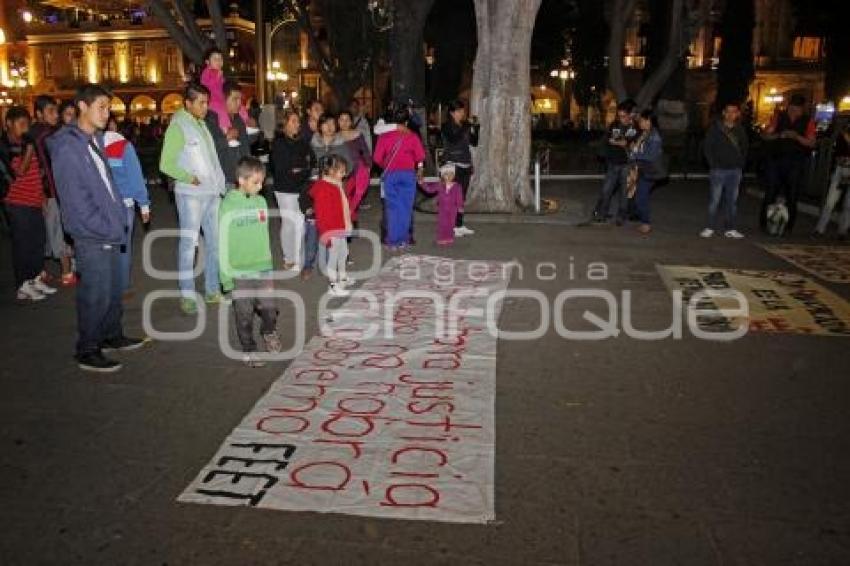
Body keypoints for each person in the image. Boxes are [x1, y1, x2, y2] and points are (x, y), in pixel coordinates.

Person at [48, 84, 148, 372]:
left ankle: (111, 335)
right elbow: (74, 200)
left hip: (110, 226)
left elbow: (107, 183)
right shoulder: (68, 147)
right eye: (101, 107)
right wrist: (104, 226)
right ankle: (88, 348)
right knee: (96, 291)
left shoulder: (95, 139)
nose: (107, 113)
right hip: (92, 232)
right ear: (82, 107)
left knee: (113, 287)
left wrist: (117, 217)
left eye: (108, 107)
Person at [159, 82, 227, 314]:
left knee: (214, 244)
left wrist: (219, 185)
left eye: (207, 102)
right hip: (191, 195)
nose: (205, 107)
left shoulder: (201, 124)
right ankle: (187, 296)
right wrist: (189, 178)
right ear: (187, 103)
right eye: (201, 103)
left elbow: (211, 159)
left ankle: (212, 290)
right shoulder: (178, 126)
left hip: (211, 193)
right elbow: (166, 164)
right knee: (189, 245)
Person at [219, 156, 281, 368]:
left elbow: (264, 237)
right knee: (244, 315)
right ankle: (249, 349)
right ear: (241, 180)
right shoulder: (227, 205)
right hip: (239, 272)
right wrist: (226, 279)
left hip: (262, 268)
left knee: (270, 309)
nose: (261, 186)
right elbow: (222, 242)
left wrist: (269, 266)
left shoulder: (261, 201)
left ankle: (269, 332)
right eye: (256, 182)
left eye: (262, 181)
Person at [2, 106, 57, 301]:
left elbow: (35, 174)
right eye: (21, 124)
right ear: (8, 124)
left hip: (33, 202)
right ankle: (22, 285)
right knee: (23, 246)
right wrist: (30, 147)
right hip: (17, 204)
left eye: (27, 124)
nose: (25, 129)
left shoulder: (25, 144)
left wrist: (41, 198)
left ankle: (34, 280)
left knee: (37, 243)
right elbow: (21, 171)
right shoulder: (7, 146)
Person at [31, 94, 77, 286]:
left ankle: (63, 269)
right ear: (39, 114)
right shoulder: (44, 134)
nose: (55, 115)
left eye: (55, 111)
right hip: (51, 191)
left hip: (54, 190)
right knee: (58, 231)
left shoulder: (50, 132)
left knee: (57, 230)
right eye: (50, 111)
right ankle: (67, 273)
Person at [104, 115, 151, 294]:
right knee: (123, 246)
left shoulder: (91, 145)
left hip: (101, 205)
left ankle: (106, 282)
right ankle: (122, 285)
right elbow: (135, 178)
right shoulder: (123, 147)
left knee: (106, 246)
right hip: (124, 205)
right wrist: (144, 205)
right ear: (115, 126)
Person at [760, 94, 817, 235]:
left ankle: (788, 226)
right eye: (791, 108)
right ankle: (764, 223)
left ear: (802, 109)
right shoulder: (778, 117)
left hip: (795, 162)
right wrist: (779, 135)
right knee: (771, 192)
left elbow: (811, 143)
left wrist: (796, 137)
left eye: (797, 109)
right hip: (776, 160)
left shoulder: (808, 121)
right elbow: (766, 135)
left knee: (792, 195)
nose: (793, 111)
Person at [373, 106, 426, 250]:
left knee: (392, 208)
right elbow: (420, 157)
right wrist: (420, 169)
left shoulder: (384, 136)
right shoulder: (412, 135)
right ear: (407, 122)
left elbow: (376, 158)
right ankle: (404, 239)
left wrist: (386, 165)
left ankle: (393, 240)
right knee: (406, 208)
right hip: (408, 175)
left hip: (390, 175)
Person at [271, 110, 314, 273]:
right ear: (284, 124)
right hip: (285, 189)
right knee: (289, 223)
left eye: (298, 121)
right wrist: (300, 169)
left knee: (301, 223)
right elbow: (282, 169)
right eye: (293, 121)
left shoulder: (302, 142)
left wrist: (301, 170)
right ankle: (288, 258)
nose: (297, 124)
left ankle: (298, 256)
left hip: (301, 188)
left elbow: (310, 163)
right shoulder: (279, 143)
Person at [701, 101, 749, 239]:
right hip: (718, 170)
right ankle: (709, 227)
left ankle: (731, 228)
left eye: (734, 111)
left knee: (732, 201)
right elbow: (707, 147)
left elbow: (745, 148)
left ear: (737, 114)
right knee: (714, 200)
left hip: (735, 171)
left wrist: (740, 164)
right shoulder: (715, 128)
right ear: (723, 113)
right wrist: (713, 164)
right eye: (728, 111)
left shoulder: (740, 129)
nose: (730, 114)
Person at [310, 155, 353, 297]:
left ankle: (343, 277)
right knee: (333, 258)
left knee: (343, 253)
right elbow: (322, 215)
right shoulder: (324, 189)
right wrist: (326, 235)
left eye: (344, 171)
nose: (344, 174)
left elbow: (343, 206)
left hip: (341, 227)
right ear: (329, 171)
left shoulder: (336, 185)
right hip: (332, 230)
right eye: (341, 171)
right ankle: (333, 284)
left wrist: (349, 221)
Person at [591, 99, 638, 225]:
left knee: (624, 192)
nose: (621, 118)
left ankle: (621, 216)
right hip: (612, 163)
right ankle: (602, 213)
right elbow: (610, 139)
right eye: (619, 115)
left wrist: (618, 142)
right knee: (606, 189)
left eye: (623, 116)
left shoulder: (634, 127)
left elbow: (626, 143)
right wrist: (615, 142)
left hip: (626, 164)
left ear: (629, 115)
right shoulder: (614, 125)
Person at [441, 99, 478, 237]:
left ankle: (459, 225)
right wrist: (466, 126)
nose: (462, 113)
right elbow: (453, 139)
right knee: (452, 198)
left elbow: (474, 142)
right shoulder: (446, 126)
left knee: (461, 198)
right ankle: (451, 225)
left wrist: (475, 128)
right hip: (452, 165)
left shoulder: (464, 126)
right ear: (451, 113)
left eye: (462, 110)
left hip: (465, 164)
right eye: (459, 111)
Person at [205, 79, 250, 189]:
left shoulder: (238, 119)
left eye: (240, 99)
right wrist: (226, 138)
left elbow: (245, 146)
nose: (239, 103)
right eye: (235, 99)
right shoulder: (212, 120)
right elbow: (208, 147)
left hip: (241, 178)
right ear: (223, 99)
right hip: (222, 179)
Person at [199, 47, 252, 141]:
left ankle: (245, 125)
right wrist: (217, 77)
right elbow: (208, 86)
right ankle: (226, 131)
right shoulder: (206, 72)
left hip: (221, 99)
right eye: (215, 59)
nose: (219, 61)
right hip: (212, 100)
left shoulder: (220, 74)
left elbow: (224, 88)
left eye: (220, 59)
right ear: (207, 62)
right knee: (222, 111)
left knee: (241, 107)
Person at [629, 109, 664, 236]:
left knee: (640, 197)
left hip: (650, 171)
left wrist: (635, 151)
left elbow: (650, 156)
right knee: (639, 196)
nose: (640, 123)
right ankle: (644, 221)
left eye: (642, 120)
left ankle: (646, 223)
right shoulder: (645, 133)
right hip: (643, 169)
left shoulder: (654, 137)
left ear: (649, 121)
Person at [813, 124, 850, 239]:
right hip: (842, 169)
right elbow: (838, 154)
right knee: (830, 202)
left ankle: (843, 230)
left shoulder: (844, 135)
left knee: (848, 205)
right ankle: (820, 229)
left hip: (844, 168)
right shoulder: (843, 136)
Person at [338, 110, 373, 223]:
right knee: (344, 196)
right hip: (341, 171)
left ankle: (348, 217)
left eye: (347, 120)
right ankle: (348, 218)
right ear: (338, 121)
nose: (344, 122)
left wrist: (368, 166)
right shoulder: (335, 136)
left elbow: (365, 151)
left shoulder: (357, 134)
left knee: (357, 195)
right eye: (341, 120)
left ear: (351, 122)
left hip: (358, 168)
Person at [419, 163, 465, 246]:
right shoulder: (439, 185)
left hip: (452, 209)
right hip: (442, 208)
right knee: (442, 223)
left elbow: (459, 197)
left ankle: (449, 237)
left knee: (451, 223)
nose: (448, 176)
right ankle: (441, 238)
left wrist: (460, 206)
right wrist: (422, 183)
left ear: (454, 175)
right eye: (446, 174)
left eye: (451, 174)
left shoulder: (457, 186)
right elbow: (429, 190)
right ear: (442, 176)